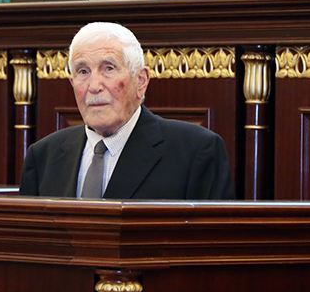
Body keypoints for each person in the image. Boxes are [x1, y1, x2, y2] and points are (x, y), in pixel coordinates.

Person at [19, 22, 235, 200]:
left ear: (141, 81)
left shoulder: (196, 151)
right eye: (83, 71)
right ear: (72, 83)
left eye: (109, 68)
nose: (94, 86)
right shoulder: (43, 157)